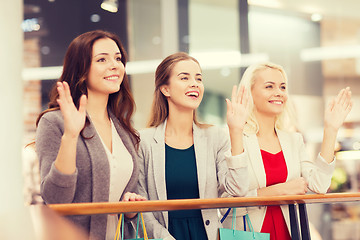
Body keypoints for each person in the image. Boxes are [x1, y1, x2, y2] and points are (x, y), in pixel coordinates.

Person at [222, 62, 352, 240]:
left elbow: (320, 184)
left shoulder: (293, 140)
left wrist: (330, 129)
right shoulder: (233, 137)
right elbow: (229, 199)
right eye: (269, 86)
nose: (279, 92)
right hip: (248, 234)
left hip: (288, 232)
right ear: (249, 93)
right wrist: (280, 191)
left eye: (283, 87)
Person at [35, 30, 145, 240]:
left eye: (118, 58)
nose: (114, 65)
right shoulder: (54, 122)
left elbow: (127, 198)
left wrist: (131, 208)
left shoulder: (124, 130)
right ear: (81, 70)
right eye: (102, 59)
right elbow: (55, 199)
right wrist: (70, 136)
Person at [136, 52, 249, 240]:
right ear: (165, 89)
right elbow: (140, 206)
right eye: (184, 77)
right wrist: (164, 237)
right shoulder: (143, 141)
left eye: (199, 78)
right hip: (163, 236)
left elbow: (238, 190)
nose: (195, 83)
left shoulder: (215, 137)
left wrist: (236, 131)